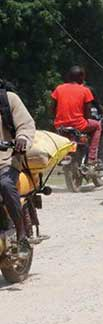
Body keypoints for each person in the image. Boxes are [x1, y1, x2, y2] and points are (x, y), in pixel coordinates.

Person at [0, 78, 37, 254]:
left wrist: (22, 138)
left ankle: (21, 235)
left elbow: (26, 125)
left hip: (7, 159)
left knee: (5, 184)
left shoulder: (9, 99)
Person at [51, 66, 103, 167]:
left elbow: (52, 107)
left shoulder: (59, 89)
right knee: (97, 126)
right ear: (81, 77)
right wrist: (85, 119)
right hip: (79, 125)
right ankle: (92, 159)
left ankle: (61, 156)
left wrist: (58, 118)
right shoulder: (85, 90)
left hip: (60, 126)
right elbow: (87, 111)